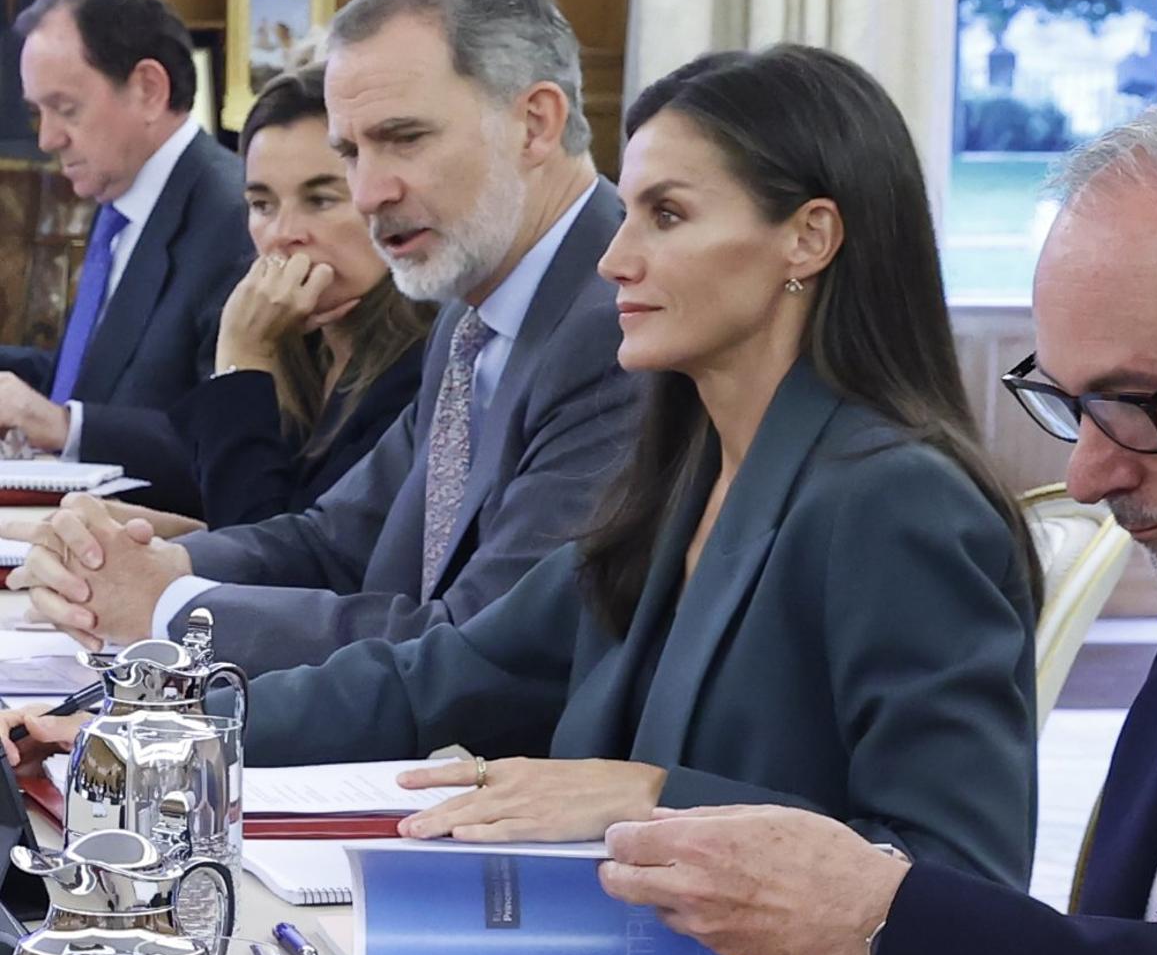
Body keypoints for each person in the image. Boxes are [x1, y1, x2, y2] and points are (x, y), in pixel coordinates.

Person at [10, 46, 1041, 881]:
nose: (614, 256)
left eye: (668, 216)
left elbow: (962, 882)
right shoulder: (688, 472)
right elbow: (436, 679)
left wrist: (653, 795)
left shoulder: (898, 499)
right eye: (629, 210)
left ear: (809, 238)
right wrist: (138, 730)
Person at [600, 87, 1157, 955]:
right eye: (1071, 404)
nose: (1084, 475)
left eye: (1134, 403)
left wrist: (877, 917)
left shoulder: (887, 490)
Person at [5, 0, 637, 674]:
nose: (368, 192)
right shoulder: (476, 313)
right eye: (350, 152)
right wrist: (143, 561)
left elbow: (487, 654)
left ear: (535, 123)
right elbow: (335, 541)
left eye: (404, 138)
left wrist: (172, 606)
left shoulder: (613, 321)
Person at [5, 0, 253, 513]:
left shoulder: (234, 217)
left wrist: (59, 424)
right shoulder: (126, 198)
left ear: (147, 89)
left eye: (66, 109)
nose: (48, 138)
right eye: (36, 112)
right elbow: (103, 378)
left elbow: (233, 448)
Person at [163, 63, 436, 531]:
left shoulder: (422, 364)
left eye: (321, 200)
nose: (283, 235)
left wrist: (241, 360)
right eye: (262, 205)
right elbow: (263, 527)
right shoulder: (299, 343)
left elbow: (279, 563)